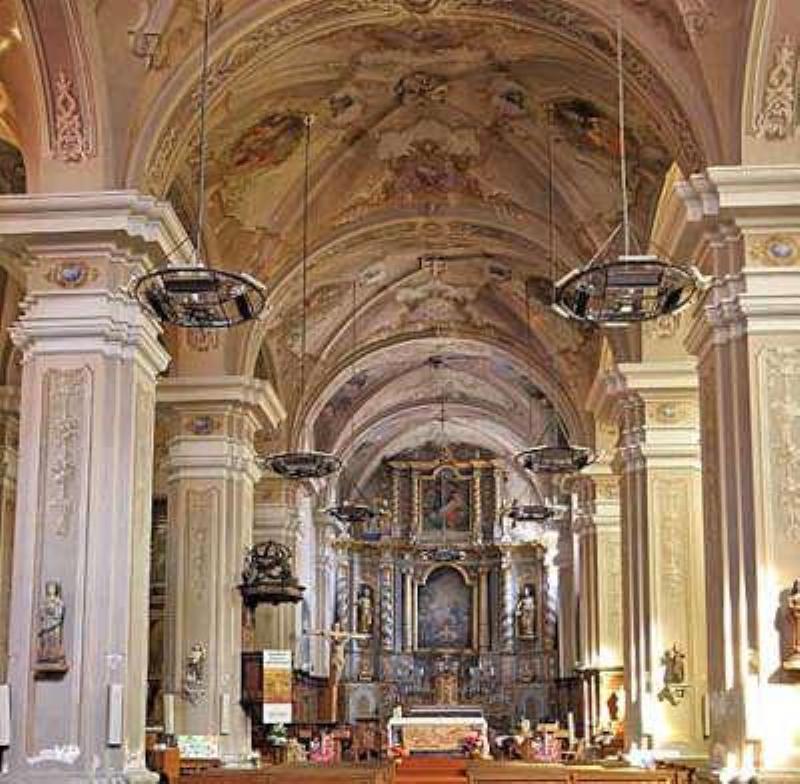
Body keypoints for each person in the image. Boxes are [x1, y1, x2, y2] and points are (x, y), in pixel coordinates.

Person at [37, 581, 66, 664]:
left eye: (53, 588)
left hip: (55, 624)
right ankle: (45, 655)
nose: (51, 590)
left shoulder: (58, 602)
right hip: (46, 624)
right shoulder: (45, 602)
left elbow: (59, 613)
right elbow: (42, 613)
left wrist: (53, 614)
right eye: (49, 588)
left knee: (55, 639)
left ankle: (55, 655)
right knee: (46, 639)